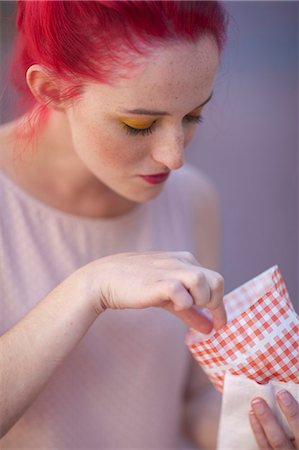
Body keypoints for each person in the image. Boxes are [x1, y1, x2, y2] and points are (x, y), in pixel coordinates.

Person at [0, 1, 298, 449]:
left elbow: (192, 400)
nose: (174, 157)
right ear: (51, 89)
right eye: (139, 124)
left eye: (193, 115)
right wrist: (91, 287)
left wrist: (259, 427)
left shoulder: (191, 198)